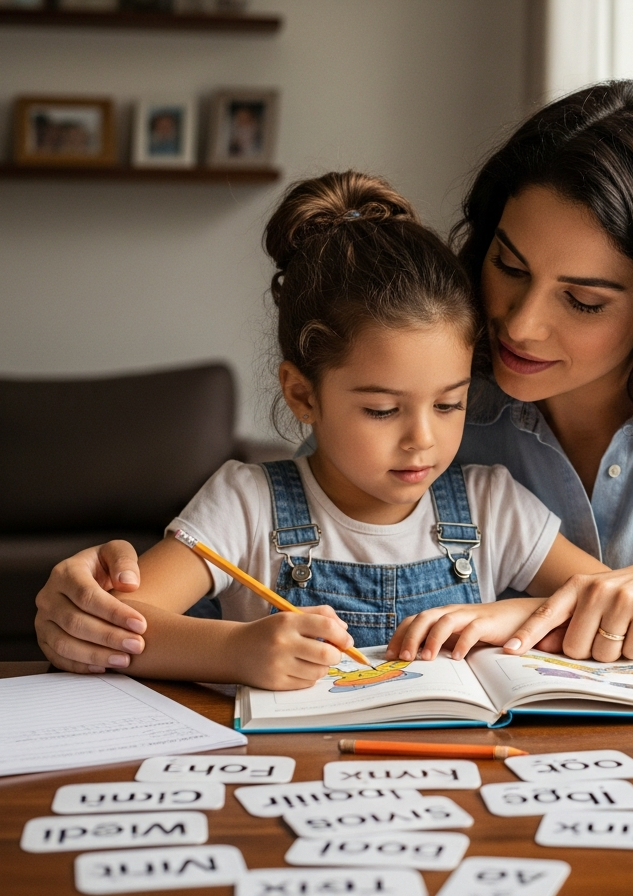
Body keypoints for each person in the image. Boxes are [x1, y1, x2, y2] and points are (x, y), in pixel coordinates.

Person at [34, 81, 633, 676]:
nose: (518, 325)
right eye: (508, 267)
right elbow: (292, 525)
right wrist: (87, 618)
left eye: (583, 301)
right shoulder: (432, 389)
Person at [114, 170, 607, 690]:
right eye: (381, 410)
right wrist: (234, 651)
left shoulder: (493, 507)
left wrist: (513, 615)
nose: (422, 438)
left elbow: (615, 605)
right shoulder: (245, 503)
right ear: (304, 394)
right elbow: (113, 623)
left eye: (449, 403)